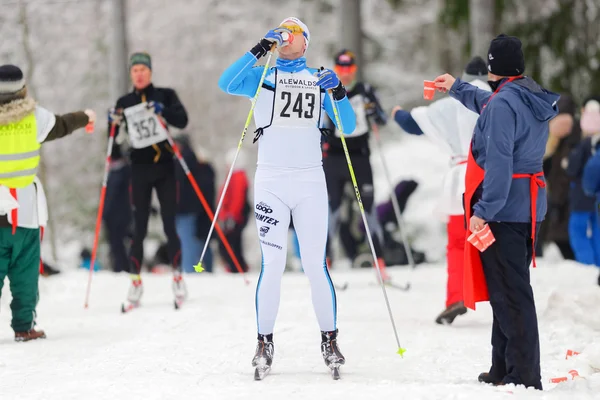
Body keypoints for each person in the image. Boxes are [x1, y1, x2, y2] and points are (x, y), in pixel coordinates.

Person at [218, 17, 356, 376]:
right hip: (271, 183)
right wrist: (258, 49)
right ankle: (264, 342)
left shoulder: (317, 79)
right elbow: (226, 82)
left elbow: (349, 126)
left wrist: (338, 91)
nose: (285, 35)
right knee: (273, 265)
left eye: (292, 31)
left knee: (315, 264)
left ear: (305, 42)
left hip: (310, 181)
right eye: (281, 30)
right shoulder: (263, 76)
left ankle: (330, 340)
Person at [434, 34, 559, 389]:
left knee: (511, 294)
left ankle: (523, 374)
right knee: (507, 288)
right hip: (526, 205)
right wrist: (456, 87)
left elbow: (500, 164)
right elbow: (489, 103)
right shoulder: (526, 95)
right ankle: (503, 366)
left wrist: (484, 210)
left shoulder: (504, 104)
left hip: (503, 208)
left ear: (492, 68)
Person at [391, 56, 491, 325]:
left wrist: (396, 112)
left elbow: (411, 123)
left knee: (459, 243)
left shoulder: (451, 103)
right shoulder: (499, 100)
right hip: (495, 179)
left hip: (462, 181)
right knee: (496, 241)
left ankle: (456, 297)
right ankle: (505, 298)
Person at [0, 64, 96, 341]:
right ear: (22, 90)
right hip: (26, 214)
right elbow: (63, 124)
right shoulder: (35, 119)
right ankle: (24, 327)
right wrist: (85, 116)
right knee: (25, 275)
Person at [109, 52, 189, 309]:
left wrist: (163, 111)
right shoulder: (125, 101)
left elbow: (182, 120)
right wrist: (112, 124)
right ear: (131, 74)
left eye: (144, 69)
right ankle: (135, 283)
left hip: (165, 167)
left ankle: (177, 278)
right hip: (140, 170)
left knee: (169, 224)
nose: (140, 74)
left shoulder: (165, 94)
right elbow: (112, 147)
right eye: (135, 70)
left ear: (150, 72)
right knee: (139, 227)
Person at [321, 49, 388, 277]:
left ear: (355, 69)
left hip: (360, 156)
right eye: (341, 69)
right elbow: (321, 127)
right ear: (336, 69)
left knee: (368, 209)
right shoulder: (328, 90)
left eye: (349, 69)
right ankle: (325, 265)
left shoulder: (365, 90)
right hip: (335, 159)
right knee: (333, 211)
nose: (346, 74)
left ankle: (380, 263)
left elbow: (382, 119)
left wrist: (373, 111)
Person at [539, 94, 578, 260]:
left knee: (563, 237)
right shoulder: (552, 144)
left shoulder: (571, 144)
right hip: (554, 198)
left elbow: (563, 176)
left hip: (564, 200)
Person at [565, 97, 600, 266]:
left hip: (582, 195)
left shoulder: (586, 143)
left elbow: (573, 169)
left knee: (578, 231)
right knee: (597, 231)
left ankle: (587, 266)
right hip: (595, 197)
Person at [174, 134, 216, 273]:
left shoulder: (185, 160)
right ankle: (193, 268)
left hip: (186, 208)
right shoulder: (189, 161)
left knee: (188, 241)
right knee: (195, 240)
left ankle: (189, 269)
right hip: (191, 208)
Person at [218, 149, 250, 273]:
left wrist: (231, 216)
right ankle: (237, 266)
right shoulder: (233, 175)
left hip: (234, 217)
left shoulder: (238, 176)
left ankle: (237, 267)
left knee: (230, 243)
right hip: (230, 216)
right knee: (233, 243)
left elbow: (237, 198)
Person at [102, 153, 132, 273]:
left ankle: (122, 267)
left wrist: (105, 213)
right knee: (118, 242)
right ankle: (122, 266)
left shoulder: (118, 174)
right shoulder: (121, 173)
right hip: (122, 214)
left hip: (117, 215)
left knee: (117, 242)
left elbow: (110, 197)